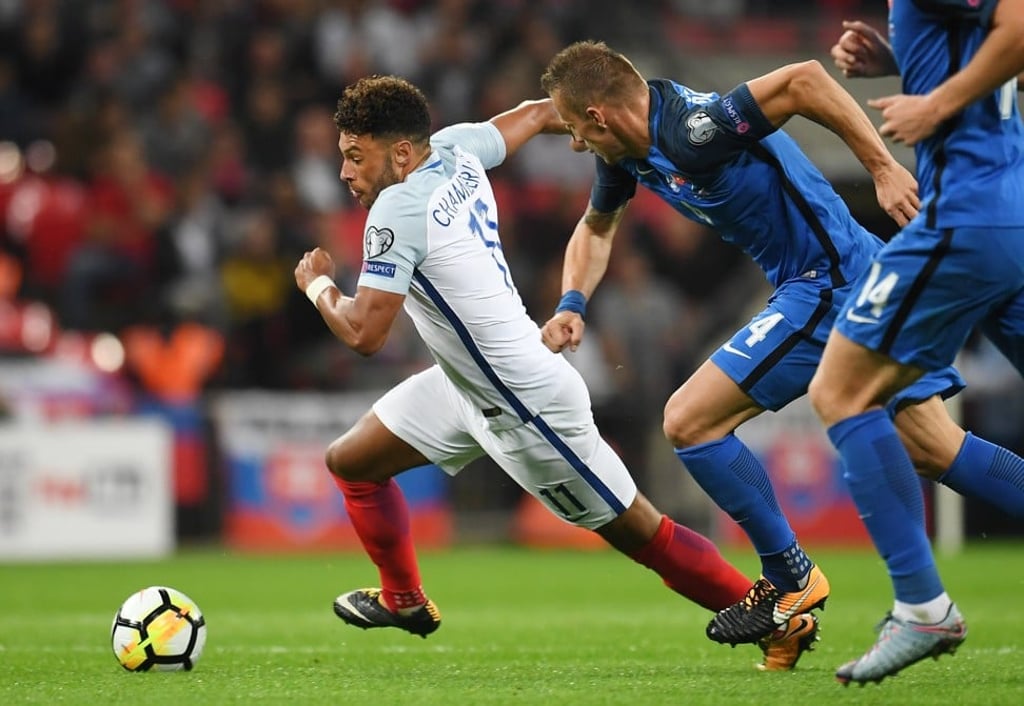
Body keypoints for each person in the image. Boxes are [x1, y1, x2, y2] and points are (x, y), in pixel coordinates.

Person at [293, 75, 817, 671]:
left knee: (642, 535)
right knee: (352, 462)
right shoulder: (457, 148)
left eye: (356, 156)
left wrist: (318, 286)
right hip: (467, 385)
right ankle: (404, 599)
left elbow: (364, 334)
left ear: (403, 153)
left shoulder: (398, 207)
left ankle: (783, 619)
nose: (345, 172)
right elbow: (540, 112)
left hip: (525, 406)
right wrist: (593, 125)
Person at [537, 39, 1024, 662]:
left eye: (575, 129)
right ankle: (838, 593)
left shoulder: (693, 129)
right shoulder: (629, 154)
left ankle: (790, 578)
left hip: (827, 284)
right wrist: (572, 302)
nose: (576, 145)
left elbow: (805, 79)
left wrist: (882, 168)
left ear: (598, 116)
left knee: (689, 421)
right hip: (852, 276)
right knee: (936, 448)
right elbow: (596, 228)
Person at [810, 0, 1024, 684]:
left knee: (841, 390)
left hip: (964, 219)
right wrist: (906, 61)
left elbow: (1020, 28)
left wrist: (935, 104)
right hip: (1009, 213)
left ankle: (923, 608)